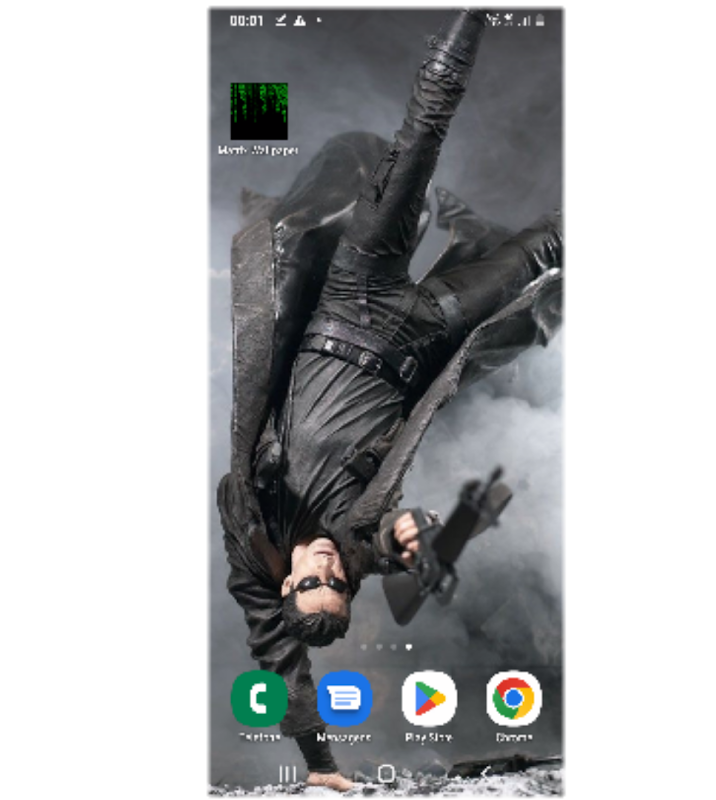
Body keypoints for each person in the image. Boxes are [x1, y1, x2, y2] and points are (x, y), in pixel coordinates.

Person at [217, 4, 566, 791]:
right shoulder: (361, 544)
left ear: (286, 586)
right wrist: (415, 534)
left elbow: (278, 657)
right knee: (550, 247)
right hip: (422, 336)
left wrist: (317, 766)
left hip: (351, 293)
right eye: (339, 586)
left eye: (313, 583)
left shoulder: (251, 523)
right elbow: (398, 536)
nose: (327, 571)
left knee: (420, 137)